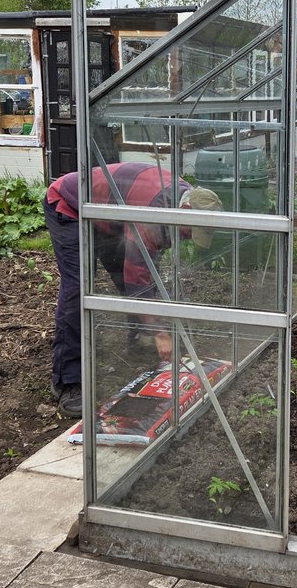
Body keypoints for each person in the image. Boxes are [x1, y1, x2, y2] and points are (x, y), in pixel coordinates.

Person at [44, 162, 222, 417]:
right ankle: (67, 382)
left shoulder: (184, 198)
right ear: (185, 210)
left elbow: (143, 273)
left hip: (108, 214)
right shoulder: (153, 214)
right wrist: (161, 333)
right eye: (189, 231)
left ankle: (138, 344)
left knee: (130, 276)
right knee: (79, 290)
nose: (185, 238)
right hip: (71, 205)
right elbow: (137, 278)